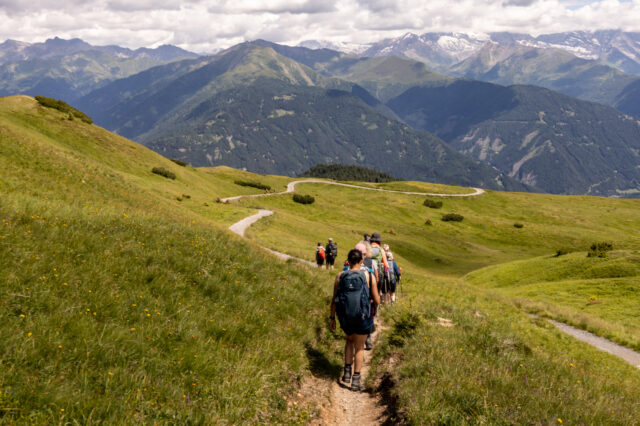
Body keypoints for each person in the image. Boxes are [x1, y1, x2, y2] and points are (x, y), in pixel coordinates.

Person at [330, 249, 380, 391]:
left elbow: (334, 300)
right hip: (362, 317)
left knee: (349, 341)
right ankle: (356, 380)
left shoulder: (340, 276)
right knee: (359, 347)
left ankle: (346, 372)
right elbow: (377, 300)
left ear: (348, 260)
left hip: (345, 317)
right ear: (361, 261)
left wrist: (332, 318)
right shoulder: (369, 276)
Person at [370, 233, 389, 303]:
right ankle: (374, 310)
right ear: (379, 241)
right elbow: (386, 265)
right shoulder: (381, 250)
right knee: (377, 292)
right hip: (378, 273)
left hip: (366, 272)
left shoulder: (366, 248)